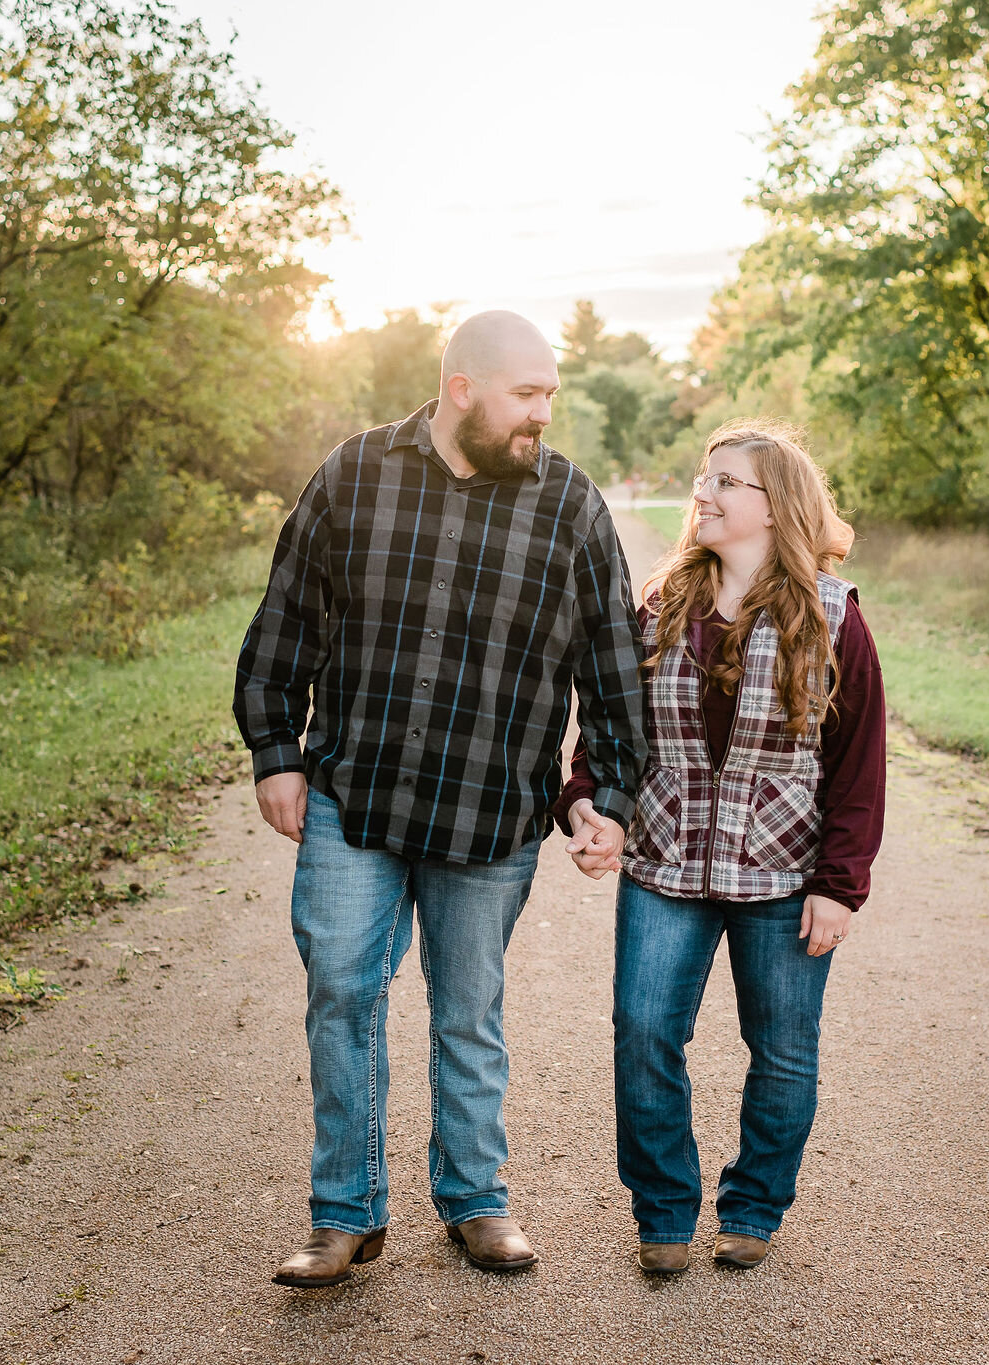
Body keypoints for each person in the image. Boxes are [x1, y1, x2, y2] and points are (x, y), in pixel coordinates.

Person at [235, 311, 647, 1288]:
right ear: (460, 389)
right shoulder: (355, 475)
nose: (542, 415)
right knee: (340, 989)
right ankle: (343, 1217)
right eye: (526, 395)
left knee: (468, 1008)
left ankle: (475, 1201)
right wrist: (274, 751)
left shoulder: (570, 507)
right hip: (354, 796)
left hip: (489, 808)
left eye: (550, 394)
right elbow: (284, 616)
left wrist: (608, 795)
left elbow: (612, 665)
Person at [561, 419, 886, 1274]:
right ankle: (664, 1210)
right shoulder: (662, 606)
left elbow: (857, 766)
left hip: (785, 874)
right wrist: (589, 801)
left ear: (776, 506)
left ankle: (753, 1205)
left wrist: (839, 885)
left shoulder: (832, 618)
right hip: (665, 864)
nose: (702, 493)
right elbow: (611, 726)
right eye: (705, 479)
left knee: (782, 1048)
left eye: (725, 482)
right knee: (642, 1030)